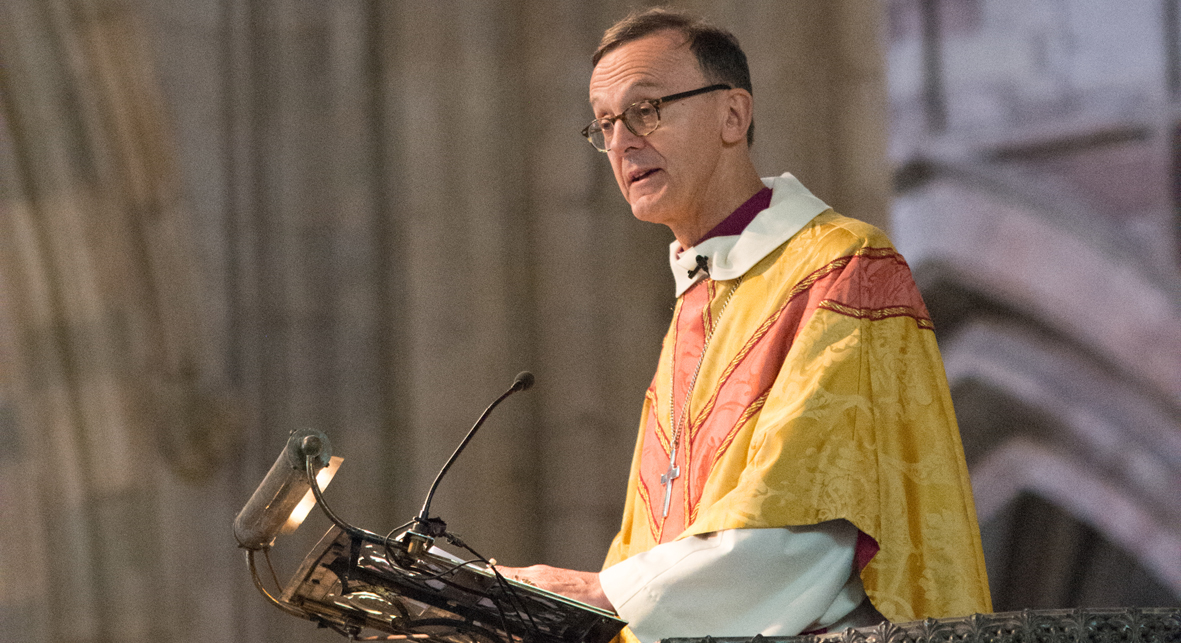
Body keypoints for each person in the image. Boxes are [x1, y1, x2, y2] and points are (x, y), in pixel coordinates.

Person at [501, 8, 992, 642]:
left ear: (734, 115)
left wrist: (602, 595)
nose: (622, 140)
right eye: (604, 124)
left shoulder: (843, 269)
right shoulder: (695, 304)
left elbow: (816, 529)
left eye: (645, 110)